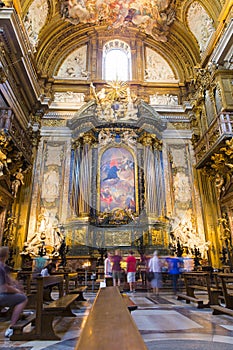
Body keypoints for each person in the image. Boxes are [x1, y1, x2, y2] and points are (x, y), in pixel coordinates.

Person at [0, 246, 28, 338]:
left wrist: (16, 285)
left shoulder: (3, 266)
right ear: (6, 256)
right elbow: (4, 288)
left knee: (18, 295)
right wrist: (17, 291)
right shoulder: (1, 268)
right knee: (22, 299)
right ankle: (12, 326)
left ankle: (18, 314)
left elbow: (9, 280)